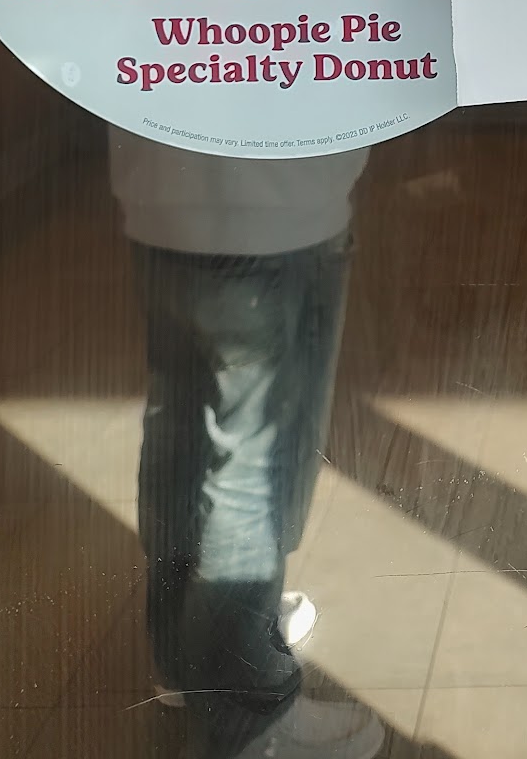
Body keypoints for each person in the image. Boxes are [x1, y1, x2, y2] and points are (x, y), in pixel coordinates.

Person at [110, 131, 380, 759]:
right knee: (254, 462)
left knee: (180, 423)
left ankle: (188, 653)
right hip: (277, 202)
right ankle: (246, 712)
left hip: (157, 192)